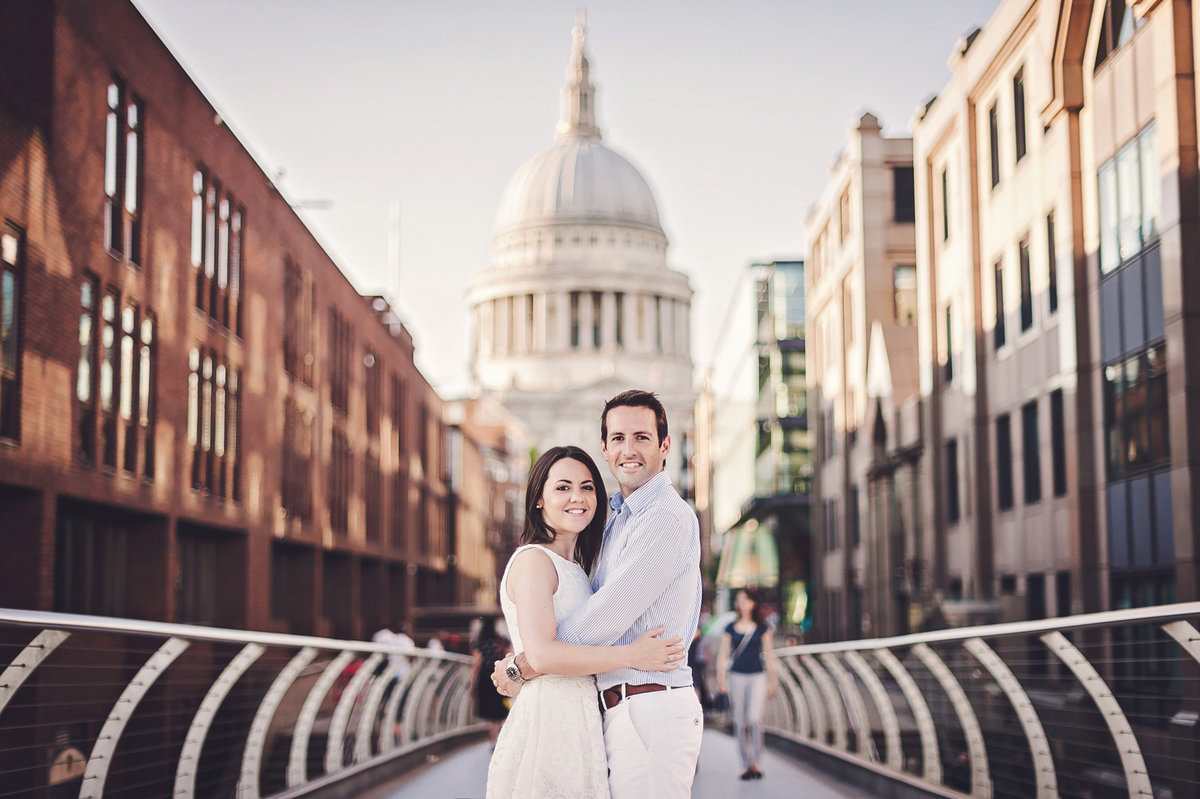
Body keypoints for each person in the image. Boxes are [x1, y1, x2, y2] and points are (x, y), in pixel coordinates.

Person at [495, 390, 705, 798]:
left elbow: (606, 617)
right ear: (605, 448)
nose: (629, 450)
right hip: (610, 713)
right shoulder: (618, 521)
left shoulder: (664, 517)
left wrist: (525, 664)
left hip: (648, 709)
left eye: (642, 437)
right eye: (619, 438)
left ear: (665, 445)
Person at [715, 587, 779, 780]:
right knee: (739, 721)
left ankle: (756, 763)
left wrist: (773, 681)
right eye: (739, 599)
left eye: (746, 599)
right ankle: (745, 765)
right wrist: (720, 679)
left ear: (753, 603)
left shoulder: (762, 628)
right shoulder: (730, 628)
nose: (742, 603)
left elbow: (769, 656)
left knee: (754, 719)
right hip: (736, 676)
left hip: (757, 676)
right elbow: (723, 655)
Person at [470, 615, 510, 748]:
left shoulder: (479, 641)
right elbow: (509, 654)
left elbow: (476, 662)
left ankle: (494, 739)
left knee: (490, 711)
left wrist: (472, 682)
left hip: (485, 678)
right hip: (498, 674)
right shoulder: (501, 640)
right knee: (501, 708)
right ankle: (501, 735)